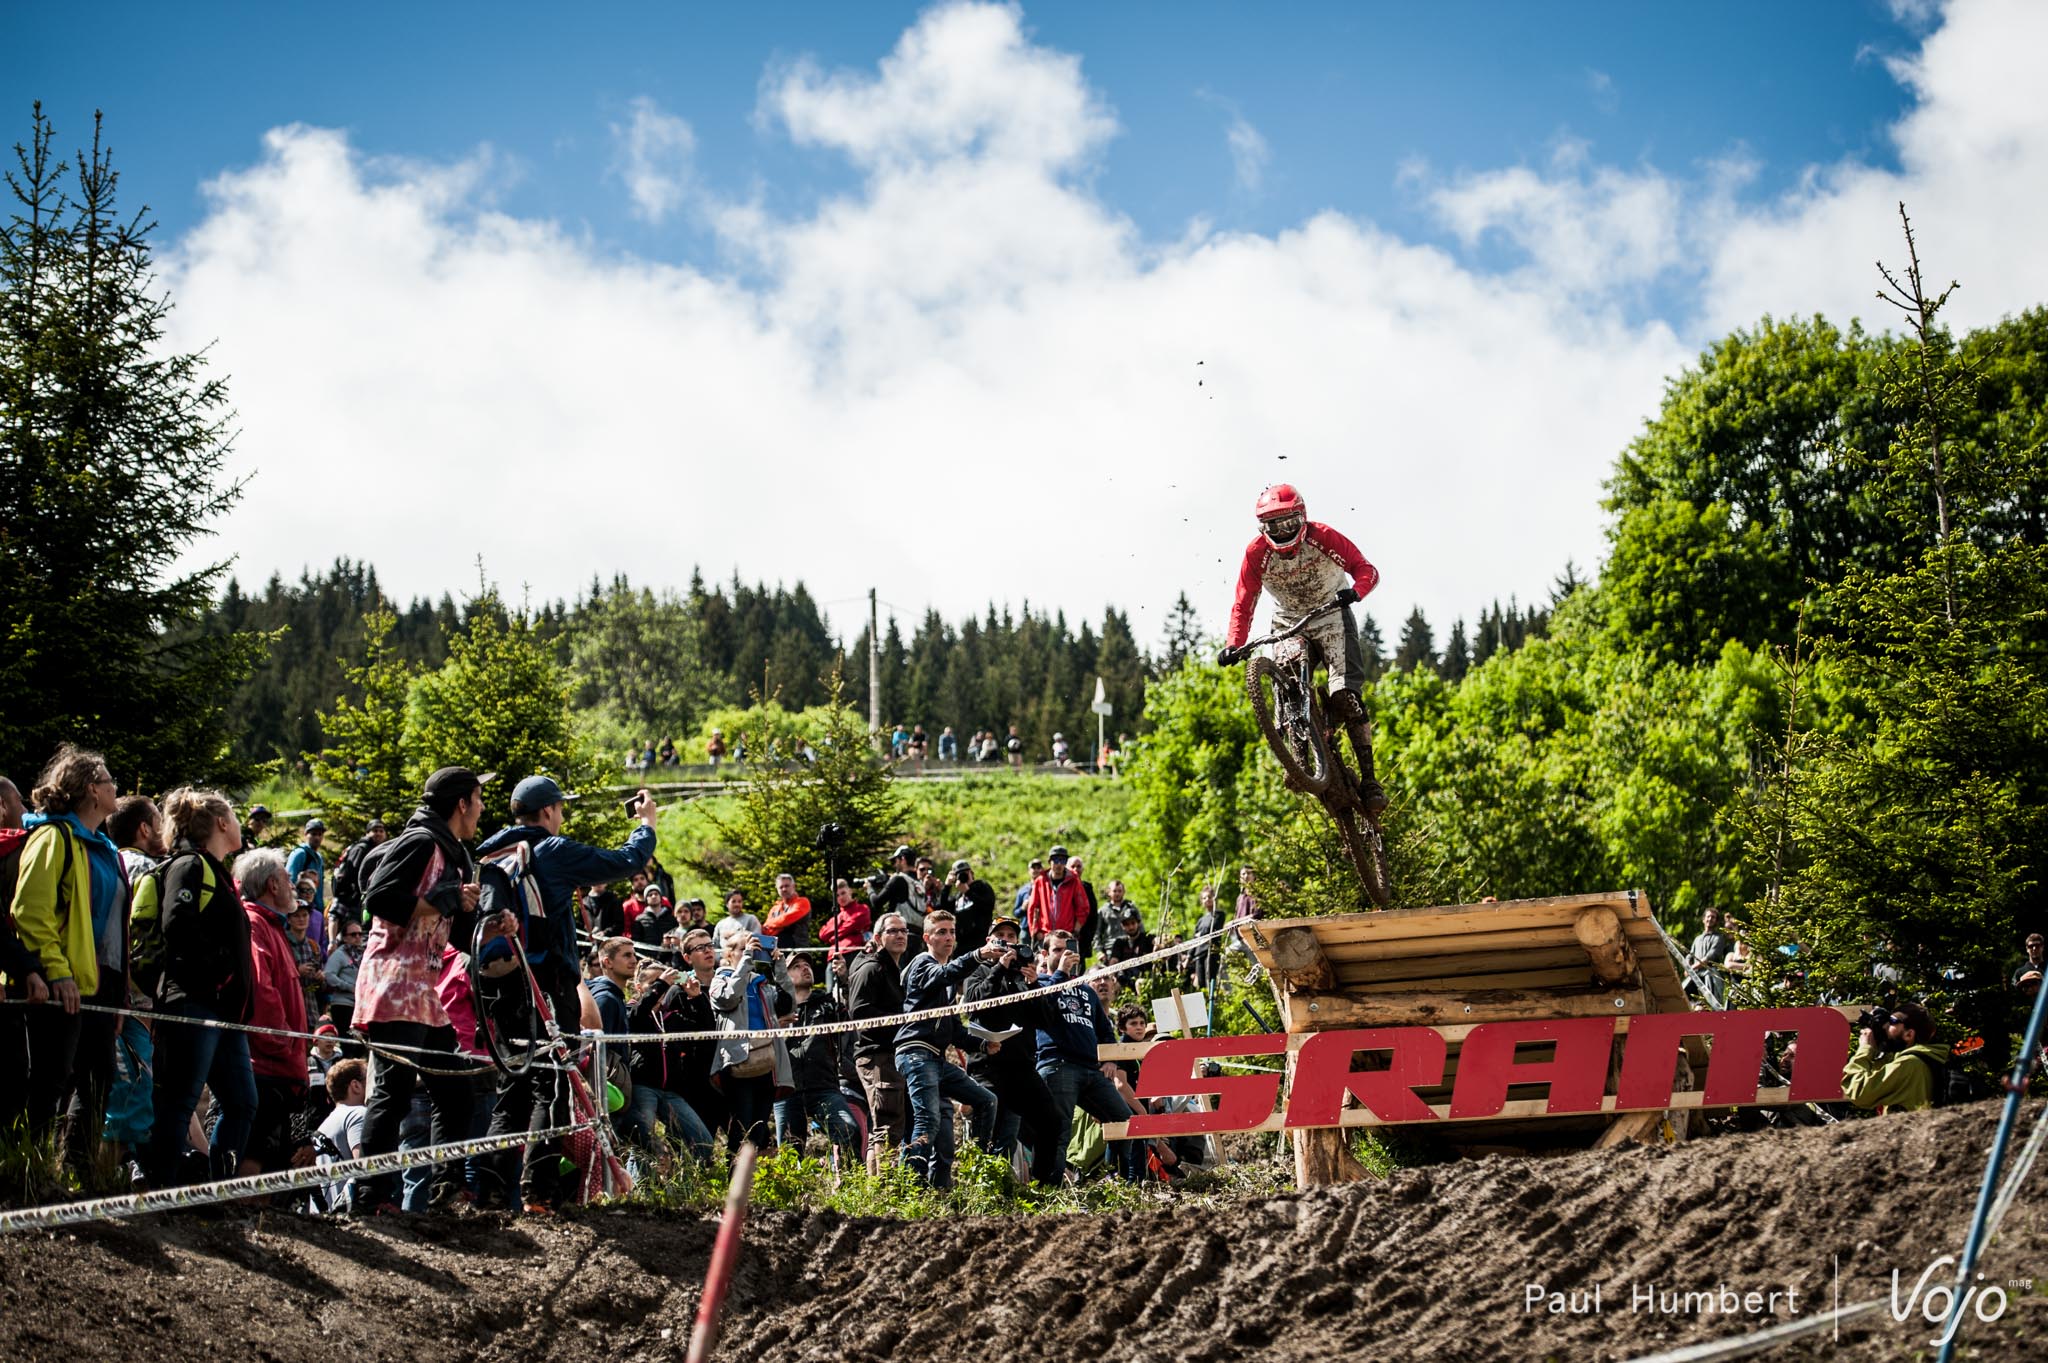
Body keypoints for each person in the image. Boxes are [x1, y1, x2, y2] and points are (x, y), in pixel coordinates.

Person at [473, 775, 660, 1209]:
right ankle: (539, 1192)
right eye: (559, 808)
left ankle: (489, 1190)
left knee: (511, 1092)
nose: (561, 816)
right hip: (547, 988)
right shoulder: (551, 851)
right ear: (548, 812)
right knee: (552, 1087)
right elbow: (625, 861)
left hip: (503, 988)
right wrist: (646, 825)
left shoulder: (494, 855)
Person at [351, 767, 487, 1213]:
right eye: (479, 798)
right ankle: (372, 1198)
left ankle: (448, 1190)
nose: (482, 807)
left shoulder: (456, 854)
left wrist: (490, 925)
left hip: (425, 991)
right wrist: (444, 899)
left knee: (455, 1092)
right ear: (461, 803)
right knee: (393, 1093)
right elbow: (378, 897)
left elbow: (456, 929)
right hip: (393, 982)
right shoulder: (420, 840)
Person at [1216, 483, 1385, 811]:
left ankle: (1370, 779)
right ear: (1262, 528)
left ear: (1303, 519)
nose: (1282, 532)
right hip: (1290, 620)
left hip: (1332, 614)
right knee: (1290, 677)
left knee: (1345, 696)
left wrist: (1356, 591)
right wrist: (1234, 644)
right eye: (1273, 526)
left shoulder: (1323, 537)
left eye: (1289, 524)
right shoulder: (1256, 554)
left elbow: (1366, 570)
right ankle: (1298, 758)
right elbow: (1244, 602)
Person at [8, 745, 133, 1175]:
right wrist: (56, 972)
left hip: (100, 985)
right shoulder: (52, 836)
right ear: (91, 791)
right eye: (109, 779)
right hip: (59, 982)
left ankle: (77, 1176)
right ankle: (31, 1170)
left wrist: (119, 998)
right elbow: (30, 910)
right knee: (50, 1080)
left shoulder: (104, 848)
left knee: (98, 1081)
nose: (116, 786)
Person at [144, 786, 257, 1186]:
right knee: (179, 1100)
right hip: (192, 1003)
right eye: (236, 815)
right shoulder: (189, 865)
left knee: (242, 1102)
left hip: (223, 1012)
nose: (241, 823)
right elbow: (177, 925)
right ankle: (164, 1190)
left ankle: (216, 1191)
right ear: (222, 823)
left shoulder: (219, 874)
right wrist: (219, 974)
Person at [893, 909, 1001, 1186]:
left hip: (937, 1059)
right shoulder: (922, 964)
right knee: (927, 1120)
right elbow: (944, 974)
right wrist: (978, 955)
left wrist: (983, 1044)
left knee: (987, 1100)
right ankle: (911, 1189)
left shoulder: (948, 983)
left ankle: (978, 1169)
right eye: (941, 932)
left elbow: (955, 1029)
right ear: (927, 938)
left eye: (952, 932)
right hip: (915, 1053)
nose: (948, 937)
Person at [962, 916, 1067, 1185]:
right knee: (993, 1133)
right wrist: (998, 968)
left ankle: (1042, 1185)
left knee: (1052, 1121)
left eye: (1012, 935)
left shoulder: (1025, 975)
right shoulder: (979, 970)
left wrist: (1034, 986)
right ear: (990, 940)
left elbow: (1047, 1021)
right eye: (1001, 934)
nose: (1007, 939)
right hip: (988, 1064)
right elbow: (974, 1004)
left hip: (1021, 1066)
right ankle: (983, 1189)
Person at [1034, 931, 1140, 1183]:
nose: (1065, 955)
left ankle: (1118, 1180)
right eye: (1058, 950)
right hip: (1057, 1065)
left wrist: (1111, 1060)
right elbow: (1041, 1009)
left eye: (1068, 949)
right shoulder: (1039, 984)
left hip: (1091, 1070)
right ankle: (1051, 1191)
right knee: (1058, 1133)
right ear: (1045, 954)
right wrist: (1059, 972)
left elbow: (1105, 1031)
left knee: (1125, 1122)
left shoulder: (1087, 991)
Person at [233, 849, 313, 1176]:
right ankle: (244, 1223)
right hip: (265, 1063)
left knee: (271, 1160)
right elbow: (261, 991)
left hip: (280, 1065)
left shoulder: (272, 926)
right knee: (255, 1156)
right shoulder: (254, 923)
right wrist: (284, 1041)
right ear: (272, 884)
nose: (292, 884)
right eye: (286, 878)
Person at [709, 930, 794, 1151]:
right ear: (729, 954)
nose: (751, 951)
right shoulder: (721, 979)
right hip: (738, 1063)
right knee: (741, 1128)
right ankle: (733, 1180)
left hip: (766, 1063)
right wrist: (747, 959)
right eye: (744, 947)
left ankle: (753, 1181)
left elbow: (787, 1006)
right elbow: (727, 999)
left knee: (758, 1130)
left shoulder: (761, 984)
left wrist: (779, 967)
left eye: (755, 948)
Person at [624, 958, 715, 1162]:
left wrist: (697, 997)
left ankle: (684, 1186)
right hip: (643, 1086)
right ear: (639, 987)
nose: (662, 988)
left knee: (703, 1141)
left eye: (665, 983)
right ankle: (639, 1191)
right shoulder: (632, 1009)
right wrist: (661, 984)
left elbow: (707, 1029)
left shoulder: (672, 1017)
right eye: (654, 982)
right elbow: (637, 1016)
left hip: (672, 1090)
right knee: (643, 1143)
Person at [774, 955, 860, 1155]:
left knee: (849, 1130)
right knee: (789, 1154)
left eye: (807, 965)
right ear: (784, 976)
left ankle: (845, 1182)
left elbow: (852, 1009)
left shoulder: (828, 1004)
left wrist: (844, 980)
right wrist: (776, 1026)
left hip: (824, 1087)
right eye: (796, 966)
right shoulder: (775, 1007)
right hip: (786, 1089)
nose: (805, 969)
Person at [847, 912, 911, 1172]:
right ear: (877, 937)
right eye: (893, 931)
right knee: (886, 1126)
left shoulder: (893, 970)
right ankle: (882, 1189)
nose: (899, 935)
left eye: (904, 931)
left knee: (889, 1127)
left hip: (890, 1055)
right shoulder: (872, 968)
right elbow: (859, 1013)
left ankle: (883, 1186)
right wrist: (902, 1019)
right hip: (877, 1056)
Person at [1843, 1001, 1946, 1114]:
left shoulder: (1909, 1064)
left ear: (1909, 1035)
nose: (1886, 1026)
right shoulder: (1925, 1060)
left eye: (1892, 1022)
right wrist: (1879, 1044)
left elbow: (1858, 1092)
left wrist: (1864, 1048)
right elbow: (1877, 1074)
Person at [313, 1057, 370, 1211]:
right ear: (356, 1086)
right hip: (351, 1213)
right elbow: (364, 1166)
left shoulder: (327, 1122)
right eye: (370, 1078)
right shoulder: (358, 1114)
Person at [1026, 846, 1092, 948]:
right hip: (1045, 935)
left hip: (1067, 935)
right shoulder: (1041, 880)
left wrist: (1076, 930)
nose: (1059, 864)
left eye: (1063, 860)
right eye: (1056, 860)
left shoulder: (1073, 880)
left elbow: (1083, 906)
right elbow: (1033, 908)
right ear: (1049, 862)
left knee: (1069, 963)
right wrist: (1036, 932)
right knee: (1044, 963)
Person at [330, 819, 387, 930]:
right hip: (353, 900)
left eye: (381, 831)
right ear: (367, 833)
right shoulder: (362, 848)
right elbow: (352, 873)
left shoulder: (376, 849)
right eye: (375, 830)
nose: (379, 834)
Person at [817, 879, 872, 987]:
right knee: (831, 994)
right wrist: (842, 926)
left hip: (854, 953)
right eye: (837, 895)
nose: (841, 897)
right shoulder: (836, 917)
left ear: (850, 891)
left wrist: (834, 937)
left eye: (843, 893)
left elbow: (854, 924)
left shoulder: (862, 909)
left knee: (855, 990)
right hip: (834, 957)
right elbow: (822, 934)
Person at [942, 860, 995, 956]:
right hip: (962, 943)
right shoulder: (958, 895)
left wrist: (968, 892)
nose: (963, 877)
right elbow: (943, 909)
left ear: (972, 873)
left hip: (980, 941)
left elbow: (988, 906)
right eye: (959, 874)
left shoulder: (982, 886)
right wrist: (947, 886)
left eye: (966, 873)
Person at [287, 818, 329, 921]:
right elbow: (289, 882)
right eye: (314, 834)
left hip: (315, 910)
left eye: (320, 834)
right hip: (300, 911)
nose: (317, 838)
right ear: (306, 834)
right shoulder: (300, 854)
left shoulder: (318, 857)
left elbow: (319, 887)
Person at [763, 872, 813, 952]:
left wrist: (770, 923)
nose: (784, 889)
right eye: (781, 887)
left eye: (787, 886)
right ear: (777, 889)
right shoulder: (775, 908)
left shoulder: (803, 902)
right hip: (776, 951)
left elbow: (786, 919)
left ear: (793, 886)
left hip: (798, 950)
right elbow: (766, 930)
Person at [712, 887, 764, 953]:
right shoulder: (721, 924)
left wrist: (735, 934)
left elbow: (758, 939)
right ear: (727, 904)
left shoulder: (751, 919)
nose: (737, 904)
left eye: (739, 901)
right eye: (733, 901)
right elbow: (714, 946)